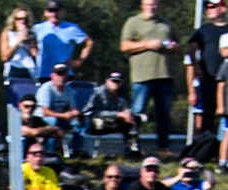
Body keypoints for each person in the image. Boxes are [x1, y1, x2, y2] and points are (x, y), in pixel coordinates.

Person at [121, 0, 178, 154]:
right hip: (142, 76)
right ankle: (131, 146)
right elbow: (124, 46)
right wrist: (147, 45)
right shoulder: (133, 22)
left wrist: (172, 46)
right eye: (149, 3)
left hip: (164, 75)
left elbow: (177, 45)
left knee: (164, 115)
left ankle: (164, 147)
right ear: (142, 4)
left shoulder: (166, 24)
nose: (152, 7)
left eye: (155, 4)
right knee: (137, 113)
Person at [188, 0, 228, 135]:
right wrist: (196, 67)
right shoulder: (203, 31)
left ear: (222, 8)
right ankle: (207, 146)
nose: (209, 9)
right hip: (209, 78)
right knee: (207, 115)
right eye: (207, 7)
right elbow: (191, 50)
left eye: (213, 6)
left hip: (226, 79)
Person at [83, 72, 141, 156]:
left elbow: (125, 109)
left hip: (115, 121)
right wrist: (117, 114)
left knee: (134, 119)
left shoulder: (123, 93)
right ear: (107, 81)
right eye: (113, 81)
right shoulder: (99, 93)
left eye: (118, 81)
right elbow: (90, 112)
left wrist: (128, 114)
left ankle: (132, 149)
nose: (115, 84)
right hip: (97, 122)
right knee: (101, 120)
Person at [34, 0, 92, 78]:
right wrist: (34, 53)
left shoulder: (72, 28)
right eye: (51, 11)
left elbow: (89, 43)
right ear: (45, 13)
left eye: (57, 10)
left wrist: (79, 61)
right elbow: (29, 44)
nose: (54, 14)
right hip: (42, 73)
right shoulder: (37, 28)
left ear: (63, 12)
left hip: (64, 74)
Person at [36, 63, 83, 154]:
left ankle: (76, 150)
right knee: (54, 122)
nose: (60, 77)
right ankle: (50, 151)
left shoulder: (69, 90)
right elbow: (45, 112)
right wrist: (63, 116)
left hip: (62, 117)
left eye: (63, 74)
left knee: (79, 122)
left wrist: (75, 113)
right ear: (52, 76)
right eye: (58, 74)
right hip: (43, 118)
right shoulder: (46, 89)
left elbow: (72, 107)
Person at [1, 7, 40, 79]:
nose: (22, 21)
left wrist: (28, 40)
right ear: (14, 20)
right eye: (19, 19)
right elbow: (5, 57)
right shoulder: (8, 33)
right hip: (13, 68)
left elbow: (35, 54)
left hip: (29, 69)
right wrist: (18, 42)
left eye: (25, 19)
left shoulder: (32, 34)